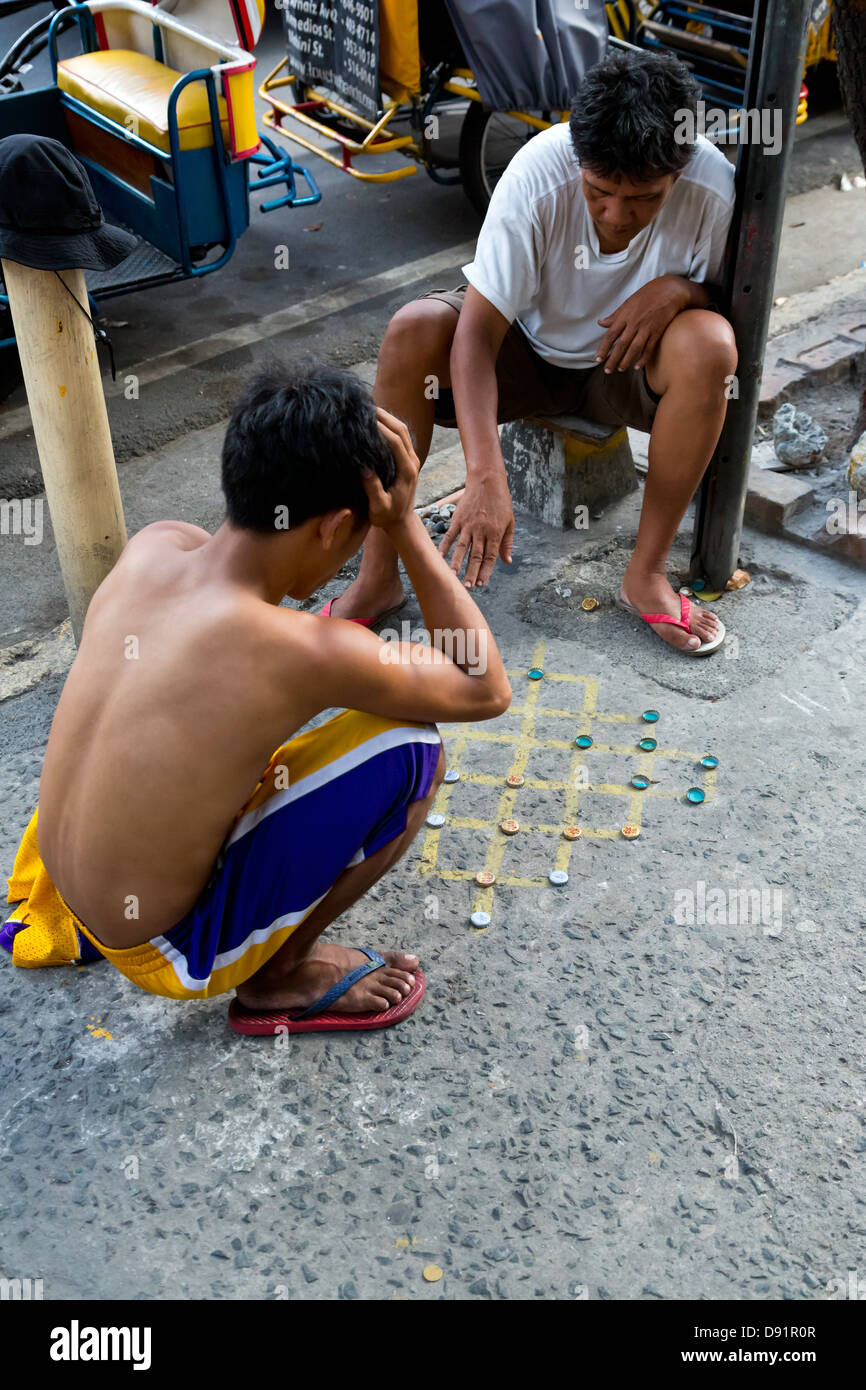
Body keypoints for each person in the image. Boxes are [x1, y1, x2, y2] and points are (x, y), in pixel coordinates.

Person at [3, 366, 511, 1033]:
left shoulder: (157, 546)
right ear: (332, 528)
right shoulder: (295, 649)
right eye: (359, 538)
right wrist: (405, 523)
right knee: (410, 747)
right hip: (163, 949)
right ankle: (281, 977)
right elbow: (484, 685)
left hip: (69, 890)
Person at [325, 49, 738, 655]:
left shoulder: (713, 187)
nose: (616, 216)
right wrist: (484, 476)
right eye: (599, 191)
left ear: (679, 171)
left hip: (622, 367)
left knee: (711, 345)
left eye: (643, 199)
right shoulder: (536, 172)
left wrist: (681, 291)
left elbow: (734, 303)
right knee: (413, 330)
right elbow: (476, 334)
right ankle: (377, 579)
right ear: (578, 159)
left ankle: (645, 574)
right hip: (525, 356)